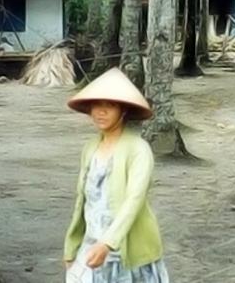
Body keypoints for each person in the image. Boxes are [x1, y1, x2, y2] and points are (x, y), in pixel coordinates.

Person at [64, 68, 169, 283]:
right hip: (92, 247)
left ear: (123, 111)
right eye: (97, 105)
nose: (100, 112)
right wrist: (72, 246)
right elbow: (83, 202)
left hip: (125, 249)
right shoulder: (90, 147)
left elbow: (134, 201)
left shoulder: (138, 149)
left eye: (109, 105)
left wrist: (108, 243)